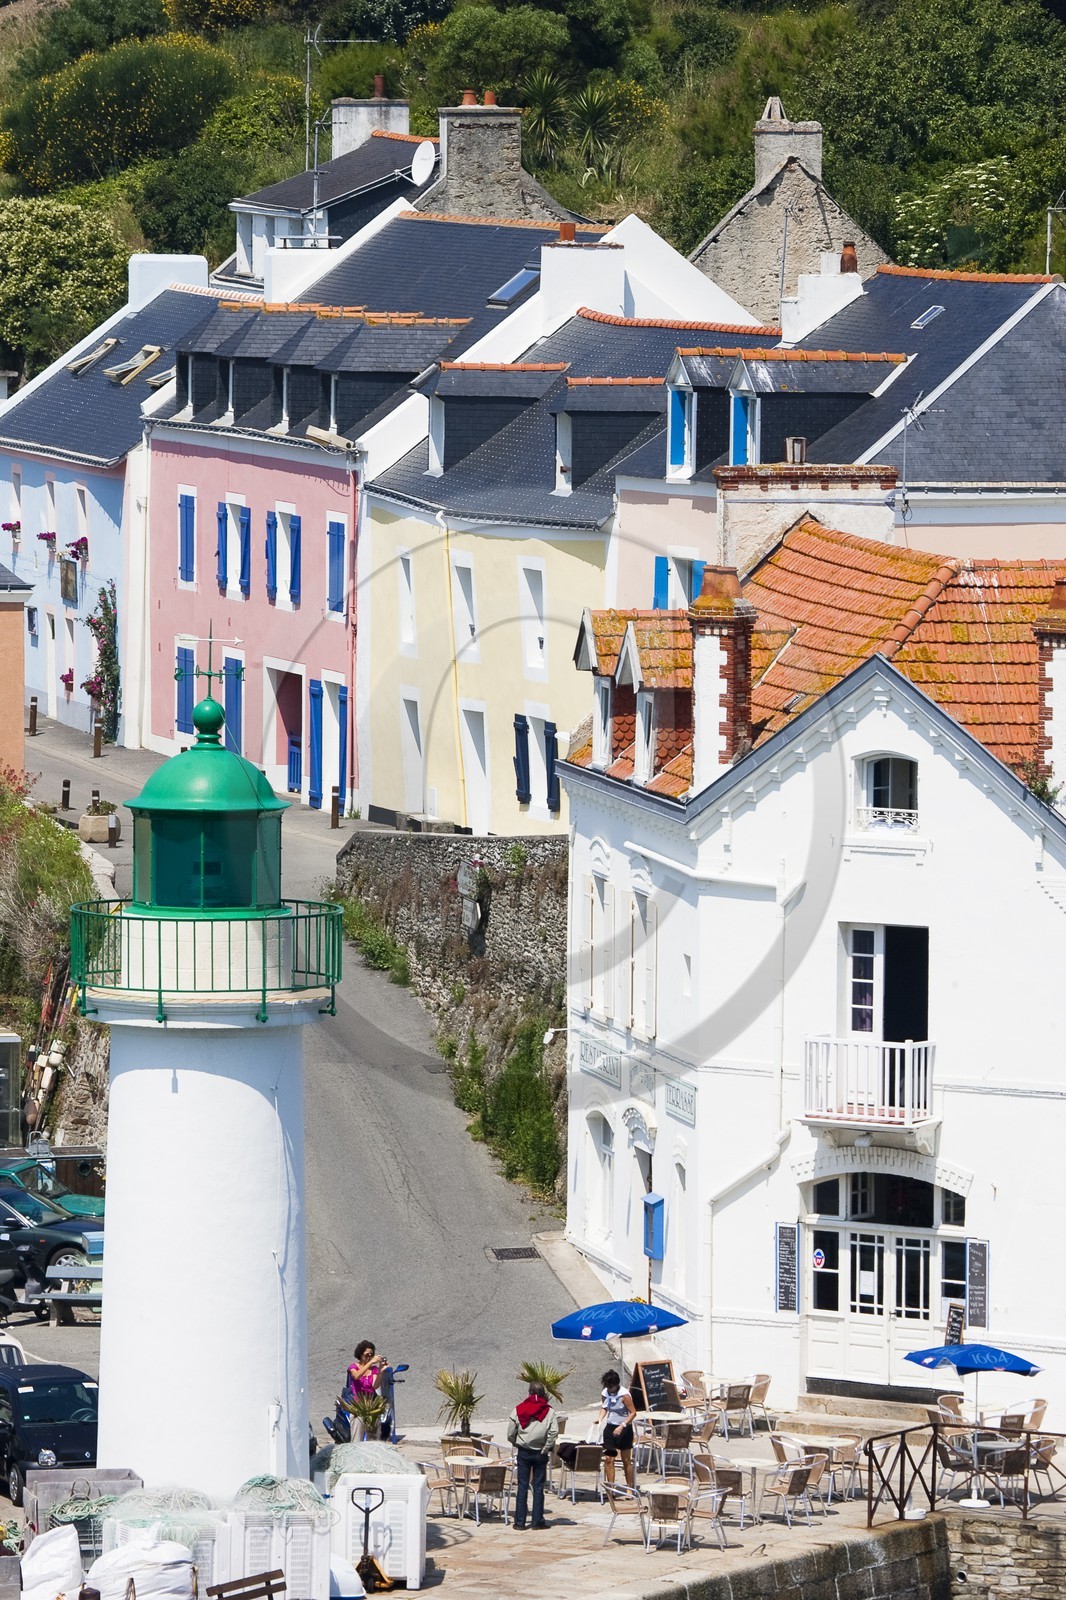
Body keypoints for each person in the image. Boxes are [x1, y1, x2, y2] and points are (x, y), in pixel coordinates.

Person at [507, 1381, 558, 1530]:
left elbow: (511, 1431)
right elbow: (554, 1432)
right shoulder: (548, 1411)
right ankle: (537, 1521)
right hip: (540, 1452)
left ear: (529, 1393)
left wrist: (516, 1442)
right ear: (543, 1394)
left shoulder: (519, 1409)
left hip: (524, 1451)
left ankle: (520, 1522)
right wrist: (547, 1447)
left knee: (522, 1486)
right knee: (538, 1487)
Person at [598, 1369, 637, 1487]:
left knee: (626, 1460)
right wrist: (600, 1418)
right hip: (610, 1427)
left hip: (624, 1428)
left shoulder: (624, 1395)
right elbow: (604, 1407)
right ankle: (611, 1488)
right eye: (608, 1387)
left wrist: (622, 1426)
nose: (610, 1389)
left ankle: (630, 1487)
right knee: (609, 1459)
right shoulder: (605, 1393)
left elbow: (633, 1412)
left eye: (611, 1387)